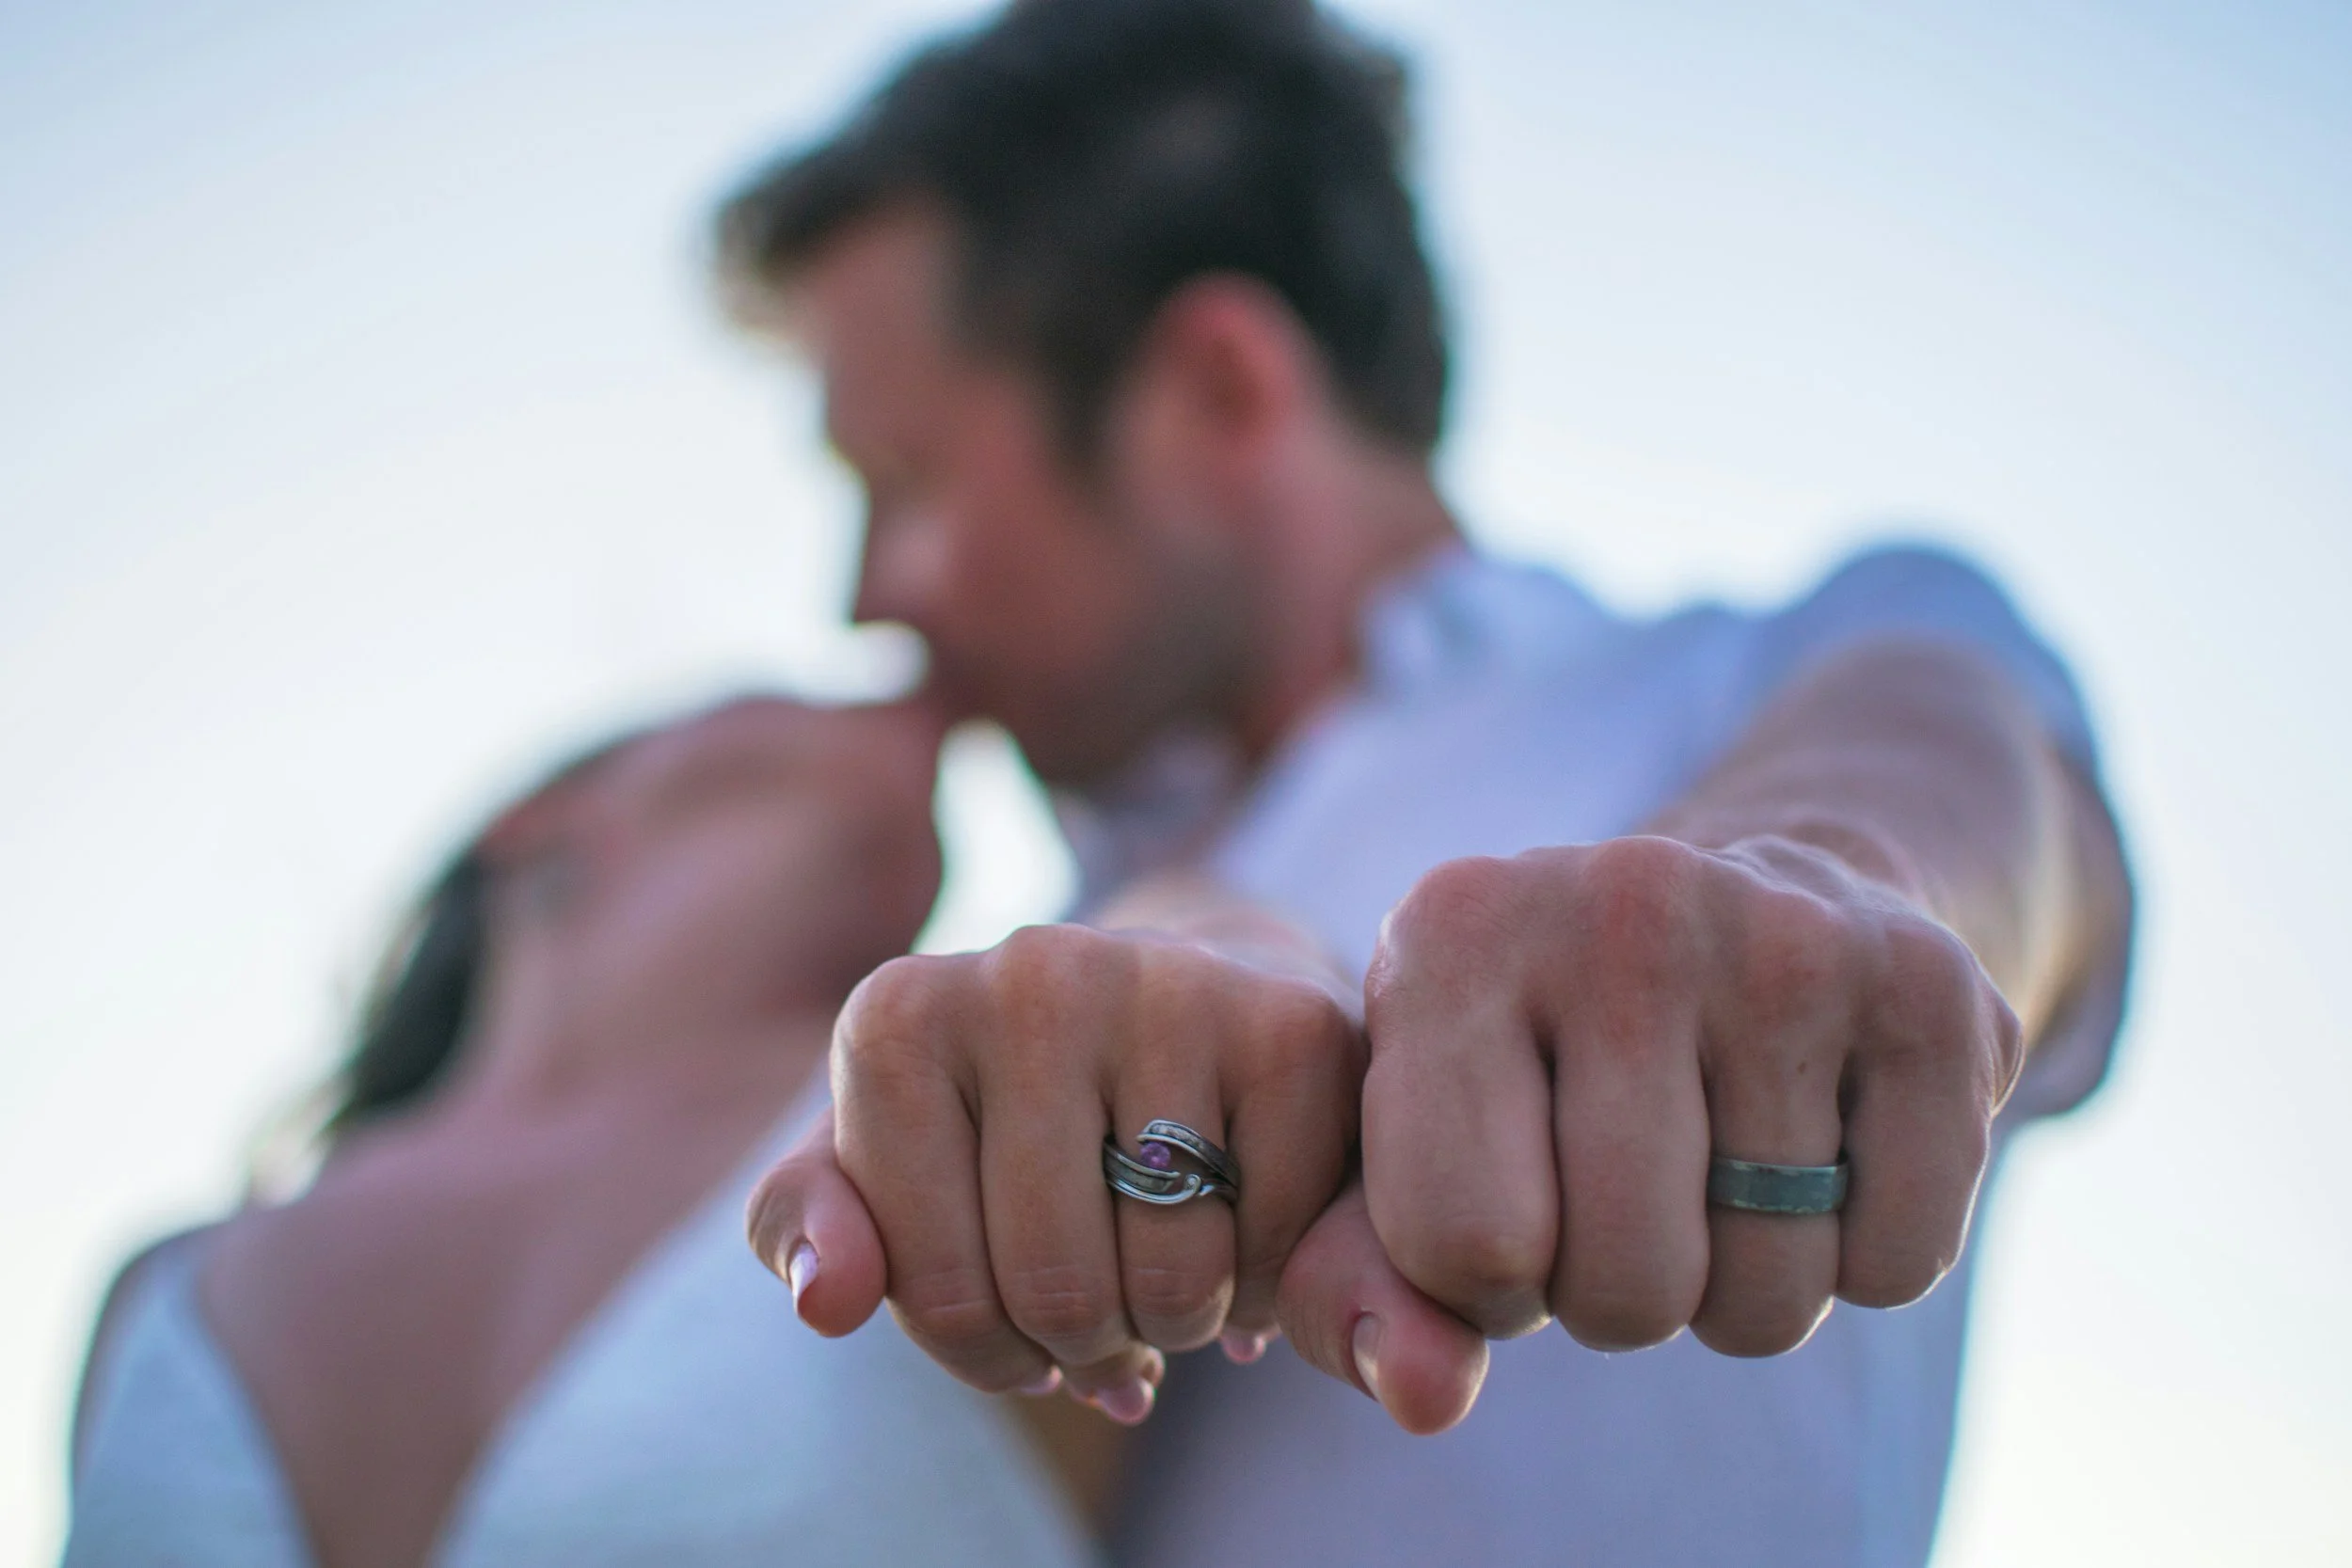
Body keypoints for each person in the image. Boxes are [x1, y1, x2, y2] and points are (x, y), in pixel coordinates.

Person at [716, 1, 2136, 1564]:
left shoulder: (1792, 666)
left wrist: (1811, 876)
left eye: (903, 483)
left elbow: (1977, 796)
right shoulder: (1046, 942)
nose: (866, 592)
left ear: (1220, 390)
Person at [64, 698, 1108, 1568]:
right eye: (791, 686)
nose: (913, 707)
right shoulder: (156, 1292)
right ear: (538, 818)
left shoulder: (982, 1109)